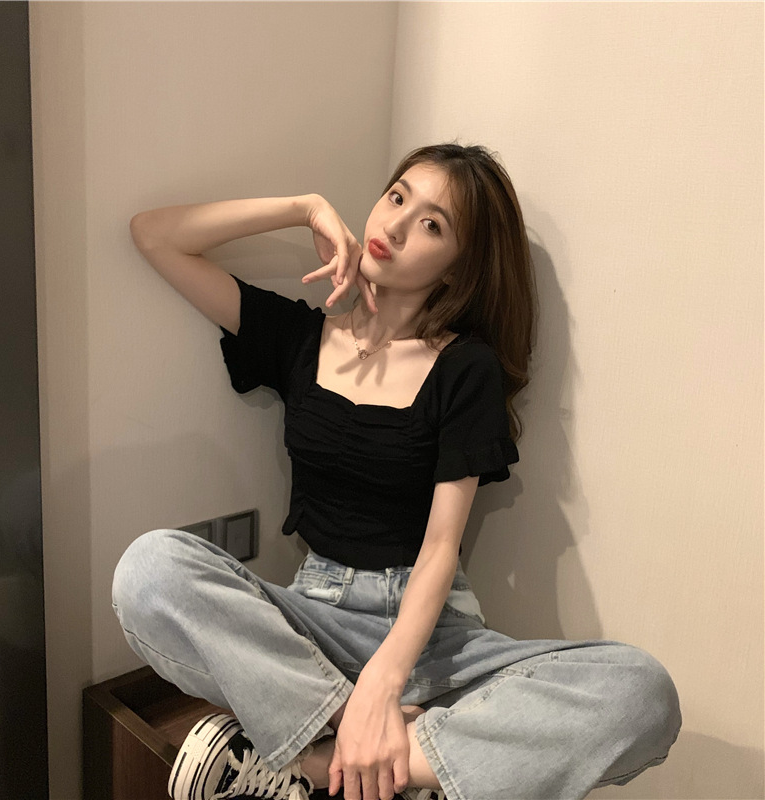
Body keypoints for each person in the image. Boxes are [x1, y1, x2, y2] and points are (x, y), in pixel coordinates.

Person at [112, 143, 681, 800]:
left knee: (643, 693)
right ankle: (378, 752)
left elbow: (440, 547)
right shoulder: (299, 338)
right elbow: (155, 236)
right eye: (397, 197)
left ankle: (326, 763)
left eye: (432, 224)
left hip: (431, 634)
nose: (398, 224)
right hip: (314, 625)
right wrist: (304, 207)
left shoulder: (465, 368)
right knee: (149, 570)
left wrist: (385, 680)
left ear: (457, 270)